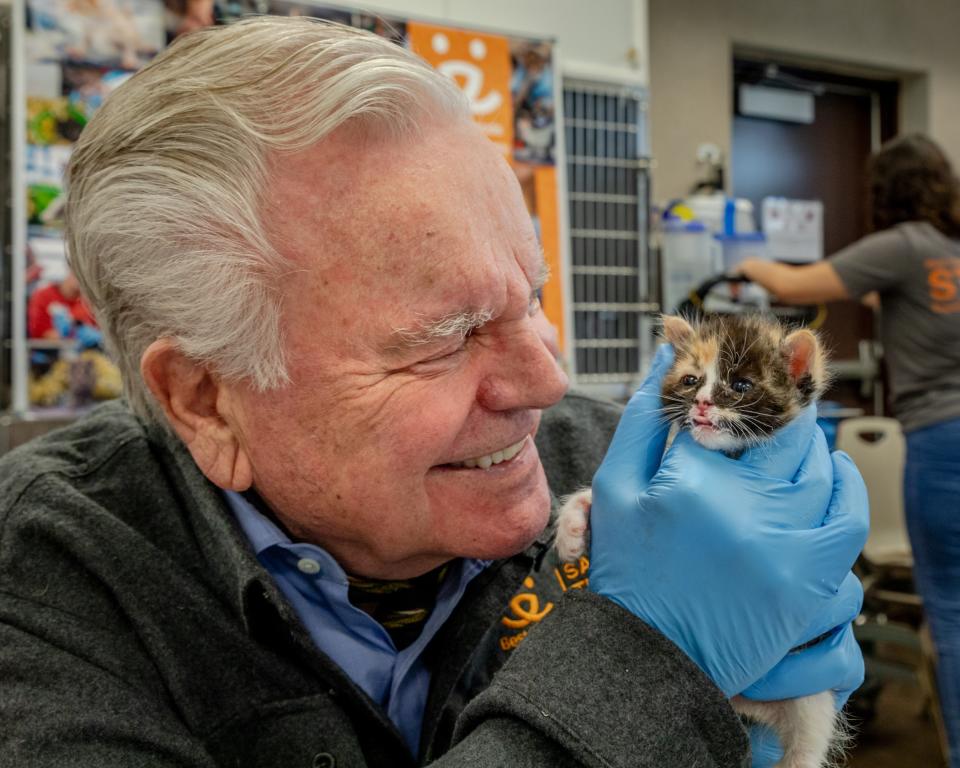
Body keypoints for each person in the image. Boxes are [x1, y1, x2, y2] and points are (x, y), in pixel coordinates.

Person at [0, 17, 867, 767]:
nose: (546, 383)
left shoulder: (620, 474)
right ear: (204, 398)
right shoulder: (44, 583)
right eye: (446, 337)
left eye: (532, 297)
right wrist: (648, 667)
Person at [738, 133, 960, 767]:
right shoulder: (948, 251)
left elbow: (795, 282)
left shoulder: (902, 245)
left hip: (943, 440)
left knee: (950, 614)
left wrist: (745, 261)